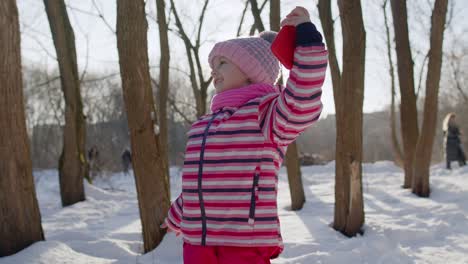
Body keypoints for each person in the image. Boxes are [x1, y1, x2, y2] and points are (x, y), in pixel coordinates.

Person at [162, 6, 327, 264]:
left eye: (223, 62)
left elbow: (302, 98)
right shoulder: (202, 127)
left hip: (243, 244)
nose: (214, 70)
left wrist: (306, 40)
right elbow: (203, 181)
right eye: (213, 64)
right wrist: (179, 212)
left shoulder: (266, 117)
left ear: (252, 71)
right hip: (197, 243)